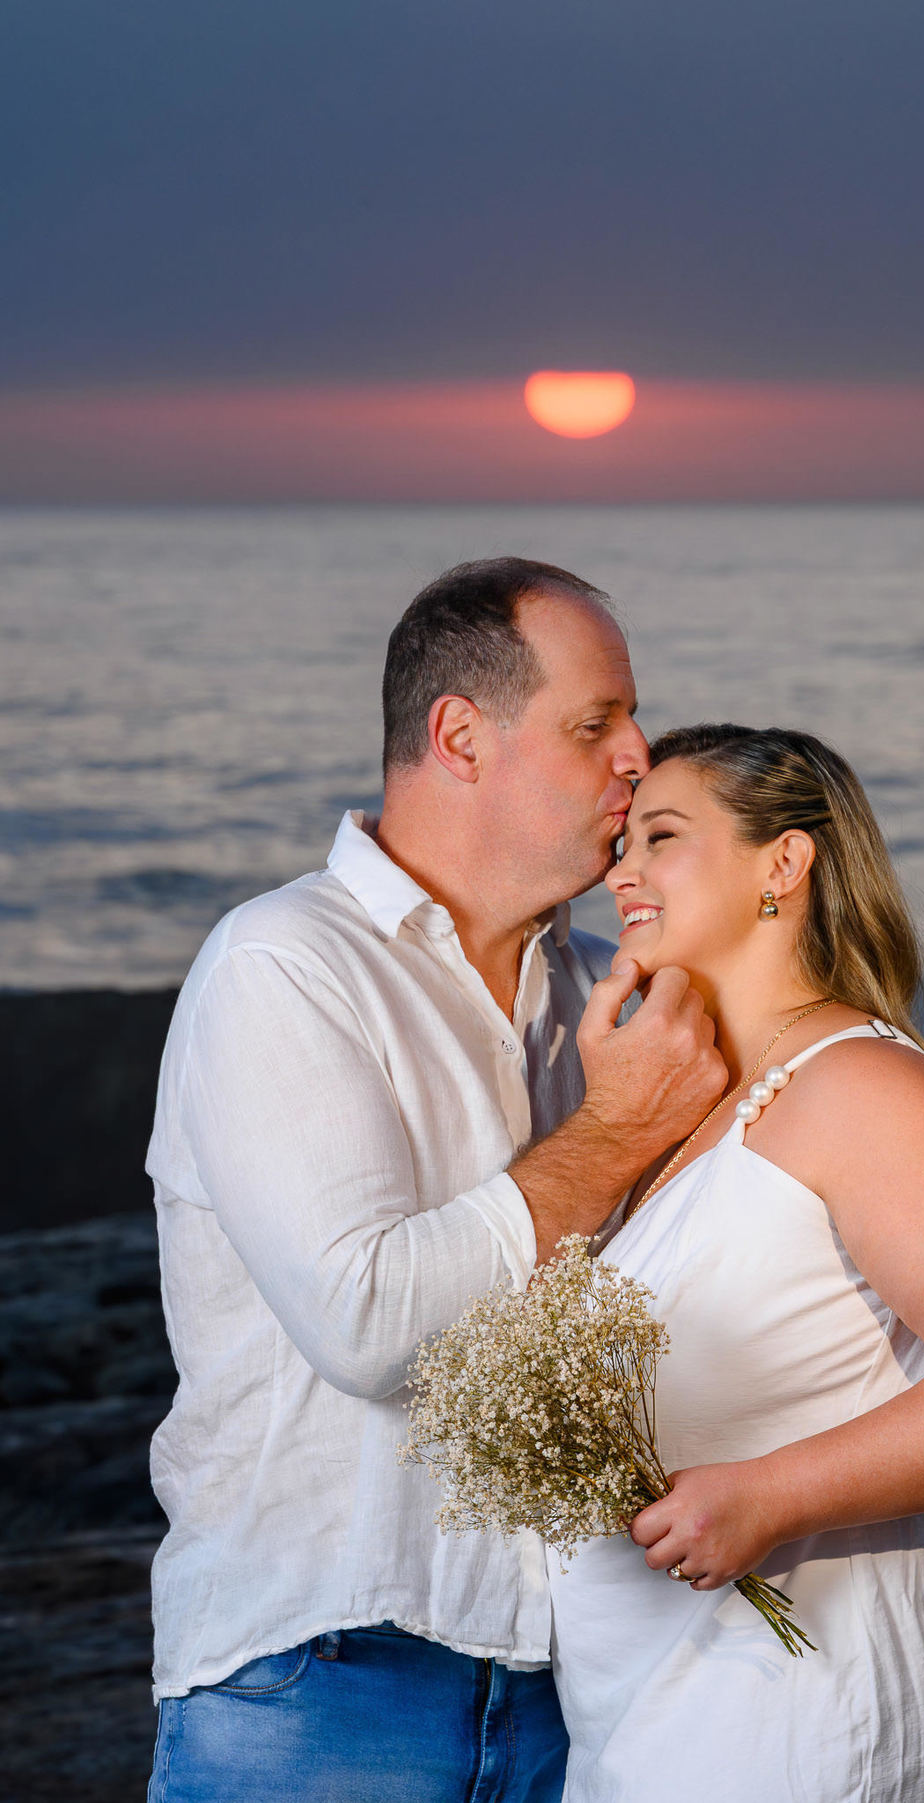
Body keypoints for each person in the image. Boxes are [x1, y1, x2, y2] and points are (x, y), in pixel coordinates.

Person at [144, 559, 726, 1803]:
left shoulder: (603, 992)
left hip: (584, 1675)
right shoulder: (282, 965)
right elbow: (367, 1325)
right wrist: (615, 1137)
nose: (639, 755)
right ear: (461, 736)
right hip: (327, 1677)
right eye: (595, 724)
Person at [548, 723, 924, 1803]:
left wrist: (769, 1497)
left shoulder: (861, 1089)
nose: (619, 872)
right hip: (657, 1708)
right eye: (622, 843)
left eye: (661, 837)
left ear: (784, 864)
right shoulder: (686, 1105)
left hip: (823, 1716)